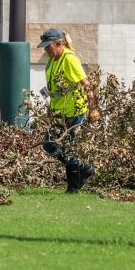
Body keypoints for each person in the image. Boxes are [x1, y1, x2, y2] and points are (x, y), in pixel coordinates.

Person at [38, 27, 99, 193]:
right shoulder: (52, 60)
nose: (45, 50)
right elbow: (53, 88)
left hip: (74, 110)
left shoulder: (69, 59)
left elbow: (87, 84)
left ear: (58, 44)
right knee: (48, 144)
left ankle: (73, 187)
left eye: (48, 46)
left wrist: (93, 108)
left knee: (69, 147)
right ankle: (85, 169)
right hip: (59, 112)